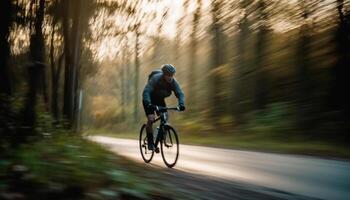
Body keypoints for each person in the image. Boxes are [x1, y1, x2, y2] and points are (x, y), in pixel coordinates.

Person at [142, 64, 185, 151]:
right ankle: (150, 142)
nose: (170, 77)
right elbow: (146, 91)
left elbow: (180, 93)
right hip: (149, 99)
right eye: (168, 75)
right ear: (163, 74)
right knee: (151, 119)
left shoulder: (173, 82)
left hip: (159, 100)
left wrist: (181, 104)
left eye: (172, 75)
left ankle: (160, 136)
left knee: (165, 117)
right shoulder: (156, 79)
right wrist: (148, 103)